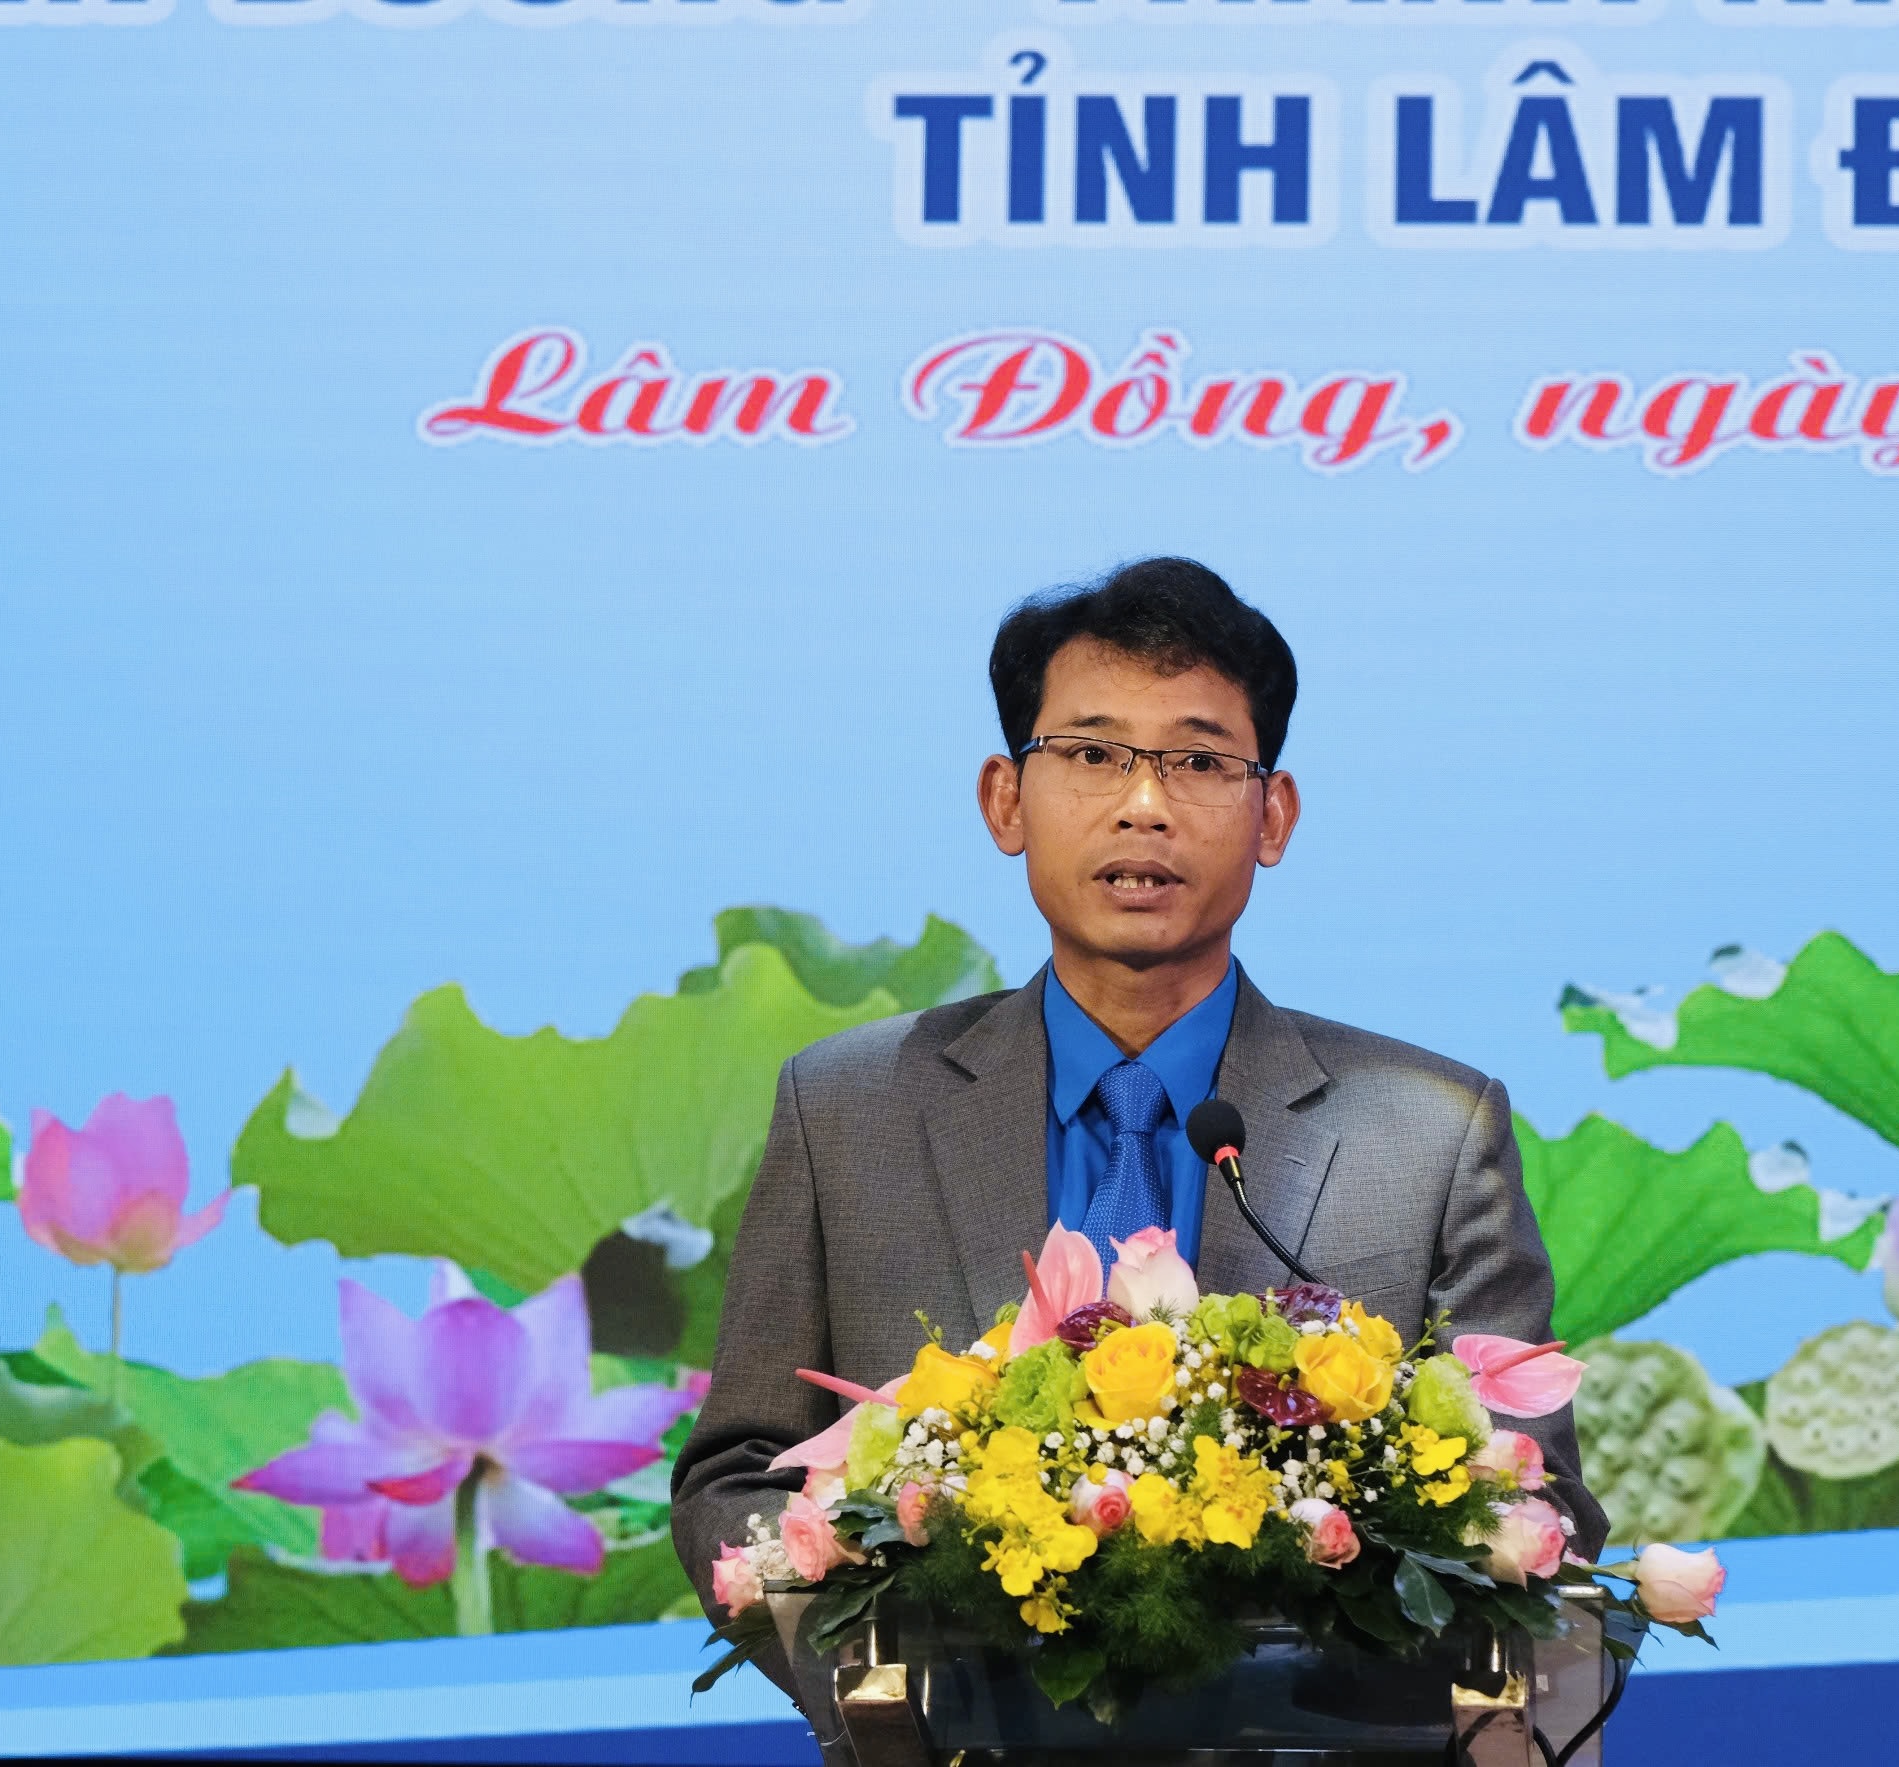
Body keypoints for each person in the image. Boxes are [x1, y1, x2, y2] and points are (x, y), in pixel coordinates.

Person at [671, 556, 1605, 1728]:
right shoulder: (848, 1110)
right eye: (1092, 753)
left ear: (1272, 815)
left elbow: (1536, 1508)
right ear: (1005, 800)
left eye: (1199, 761)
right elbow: (738, 1476)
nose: (1144, 805)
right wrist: (896, 1687)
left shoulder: (1427, 1133)